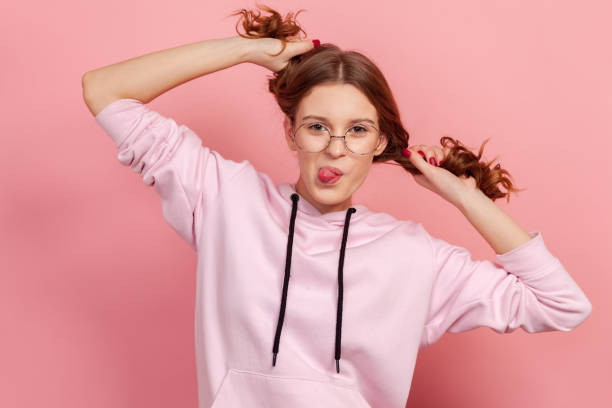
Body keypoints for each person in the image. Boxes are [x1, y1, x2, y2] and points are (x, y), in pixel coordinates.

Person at [81, 4, 592, 407]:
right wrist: (244, 51)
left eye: (358, 131)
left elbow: (562, 305)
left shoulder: (413, 255)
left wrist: (461, 195)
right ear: (291, 132)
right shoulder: (225, 199)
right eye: (318, 126)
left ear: (379, 142)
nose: (335, 148)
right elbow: (105, 91)